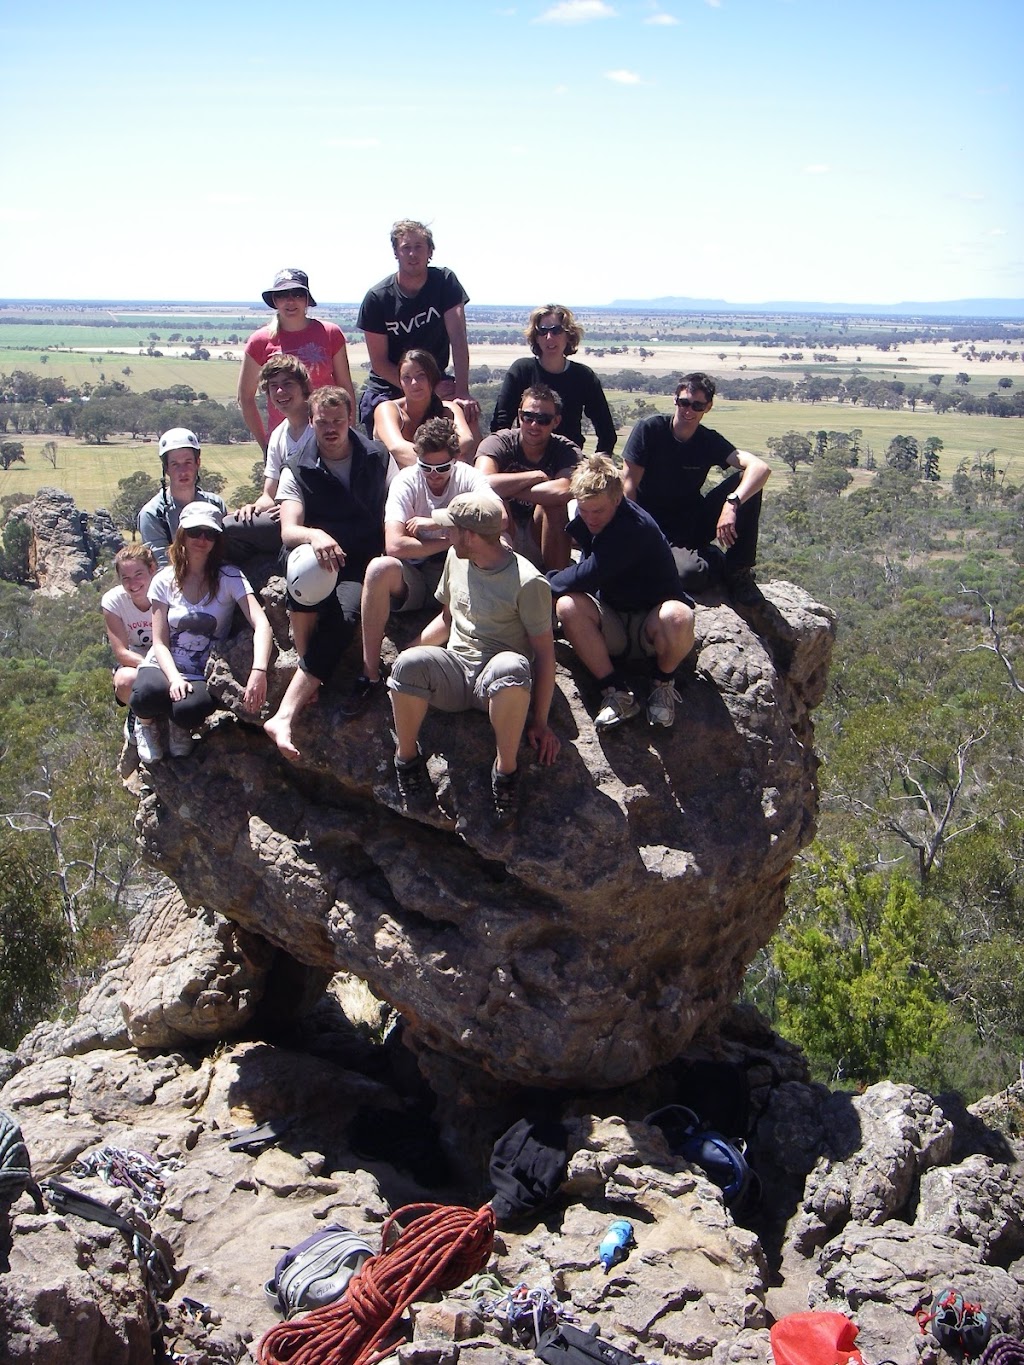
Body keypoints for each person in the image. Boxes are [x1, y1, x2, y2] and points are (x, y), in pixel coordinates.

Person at [387, 488, 560, 826]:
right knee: (407, 666)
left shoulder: (528, 582)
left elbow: (544, 652)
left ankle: (505, 771)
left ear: (469, 535)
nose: (445, 534)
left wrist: (540, 720)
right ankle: (406, 760)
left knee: (514, 666)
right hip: (456, 671)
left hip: (497, 680)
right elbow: (448, 618)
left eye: (450, 529)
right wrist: (407, 654)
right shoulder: (457, 557)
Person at [264, 386, 396, 760]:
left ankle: (285, 713)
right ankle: (299, 691)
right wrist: (316, 534)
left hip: (361, 560)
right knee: (302, 581)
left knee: (345, 618)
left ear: (351, 419)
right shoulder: (297, 466)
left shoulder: (377, 456)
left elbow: (395, 509)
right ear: (312, 422)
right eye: (323, 423)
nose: (332, 429)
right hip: (318, 557)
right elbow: (289, 530)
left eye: (338, 421)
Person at [342, 416, 489, 717]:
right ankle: (370, 673)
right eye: (427, 467)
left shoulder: (469, 477)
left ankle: (410, 653)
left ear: (455, 459)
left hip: (458, 572)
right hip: (418, 575)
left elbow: (495, 518)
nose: (434, 475)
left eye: (442, 467)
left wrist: (436, 521)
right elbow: (395, 545)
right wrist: (454, 537)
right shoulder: (407, 480)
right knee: (379, 569)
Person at [547, 456, 695, 731]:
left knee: (678, 616)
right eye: (584, 510)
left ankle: (662, 682)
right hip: (613, 618)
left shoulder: (634, 528)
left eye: (598, 511)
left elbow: (589, 574)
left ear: (617, 499)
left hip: (651, 628)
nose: (590, 518)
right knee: (568, 606)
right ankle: (615, 692)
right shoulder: (591, 513)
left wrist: (542, 585)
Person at [129, 503, 272, 764]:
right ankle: (145, 724)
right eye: (195, 532)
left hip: (200, 670)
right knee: (145, 695)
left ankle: (178, 725)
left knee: (188, 709)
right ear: (182, 534)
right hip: (165, 664)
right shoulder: (164, 580)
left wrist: (259, 671)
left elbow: (262, 624)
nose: (202, 540)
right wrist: (173, 679)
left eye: (210, 533)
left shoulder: (230, 577)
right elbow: (160, 642)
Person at [622, 372, 770, 602]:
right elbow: (628, 487)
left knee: (748, 483)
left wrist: (732, 503)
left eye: (697, 405)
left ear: (708, 407)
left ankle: (738, 571)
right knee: (690, 575)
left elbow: (760, 468)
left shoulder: (707, 440)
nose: (688, 410)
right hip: (654, 525)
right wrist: (634, 538)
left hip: (693, 520)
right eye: (684, 403)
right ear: (675, 400)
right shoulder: (650, 430)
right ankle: (711, 559)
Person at [357, 220, 478, 436]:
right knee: (385, 441)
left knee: (467, 416)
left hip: (432, 379)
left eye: (419, 247)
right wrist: (421, 390)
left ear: (430, 251)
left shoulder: (445, 282)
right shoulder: (378, 298)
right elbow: (379, 362)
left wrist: (462, 391)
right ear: (396, 252)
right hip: (390, 386)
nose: (412, 254)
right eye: (406, 248)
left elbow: (458, 338)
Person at [237, 268, 356, 452]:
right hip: (287, 441)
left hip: (329, 436)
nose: (290, 301)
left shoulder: (330, 333)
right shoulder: (259, 341)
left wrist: (348, 433)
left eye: (298, 294)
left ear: (307, 300)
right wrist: (266, 446)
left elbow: (345, 389)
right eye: (283, 295)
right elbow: (245, 397)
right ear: (275, 301)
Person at [474, 385, 579, 570]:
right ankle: (501, 577)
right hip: (505, 530)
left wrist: (509, 488)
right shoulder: (498, 442)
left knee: (554, 505)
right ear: (519, 415)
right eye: (528, 417)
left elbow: (563, 490)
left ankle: (555, 584)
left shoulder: (566, 450)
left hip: (540, 533)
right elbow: (481, 481)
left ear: (556, 421)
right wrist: (536, 476)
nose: (534, 425)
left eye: (543, 420)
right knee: (496, 504)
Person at [490, 304, 616, 453]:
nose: (549, 337)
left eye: (556, 331)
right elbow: (500, 424)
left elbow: (606, 432)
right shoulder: (522, 371)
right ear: (535, 337)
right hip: (524, 459)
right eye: (542, 331)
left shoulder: (583, 377)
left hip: (568, 461)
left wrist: (596, 468)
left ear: (568, 335)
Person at [233, 354, 317, 524]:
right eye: (273, 386)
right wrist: (254, 507)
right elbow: (269, 495)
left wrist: (292, 506)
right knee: (234, 525)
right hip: (286, 514)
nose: (280, 391)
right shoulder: (278, 436)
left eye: (287, 384)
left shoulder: (320, 428)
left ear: (304, 387)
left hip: (320, 515)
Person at [372, 348, 479, 467]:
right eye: (406, 377)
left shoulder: (448, 409)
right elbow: (396, 447)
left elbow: (466, 439)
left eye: (421, 375)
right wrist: (437, 462)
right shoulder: (387, 409)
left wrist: (434, 465)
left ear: (432, 378)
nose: (414, 383)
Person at [138, 428, 227, 568]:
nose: (183, 471)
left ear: (198, 463)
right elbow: (161, 565)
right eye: (175, 464)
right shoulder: (153, 514)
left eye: (188, 462)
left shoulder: (215, 504)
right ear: (166, 468)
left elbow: (224, 551)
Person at [102, 543, 158, 746]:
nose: (132, 583)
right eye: (125, 578)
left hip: (169, 655)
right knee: (125, 680)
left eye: (138, 574)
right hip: (139, 660)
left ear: (152, 569)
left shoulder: (167, 591)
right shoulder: (114, 601)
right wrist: (152, 666)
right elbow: (121, 652)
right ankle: (141, 717)